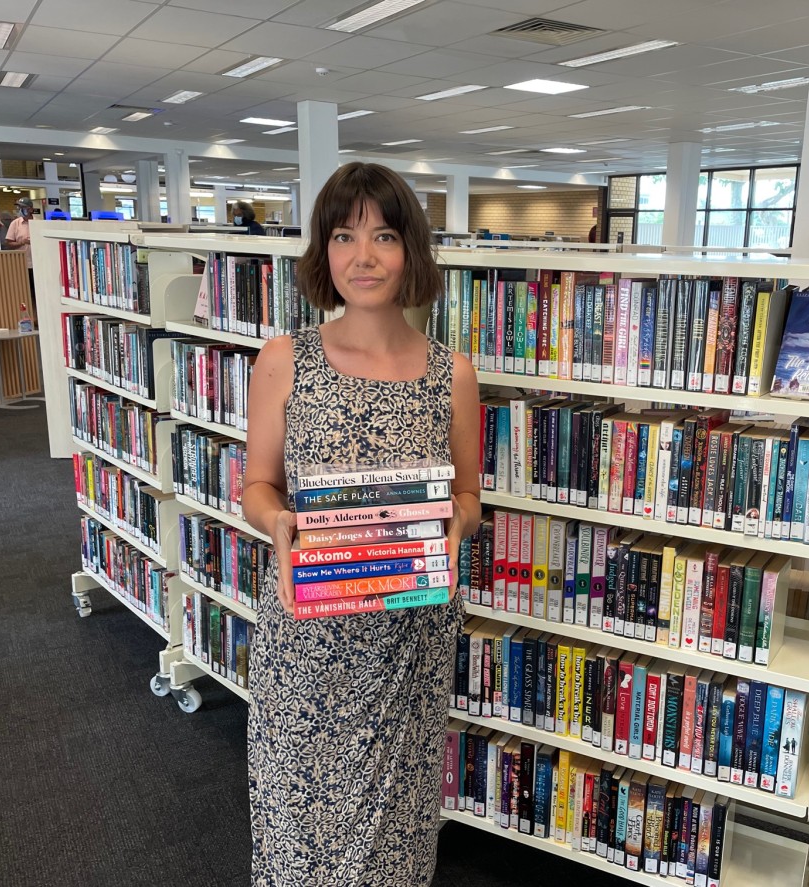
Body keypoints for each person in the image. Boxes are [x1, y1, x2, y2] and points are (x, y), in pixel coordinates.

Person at [241, 161, 481, 887]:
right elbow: (257, 484)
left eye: (382, 235)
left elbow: (468, 496)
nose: (363, 256)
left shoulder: (453, 373)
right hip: (308, 633)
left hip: (408, 636)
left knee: (396, 833)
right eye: (344, 235)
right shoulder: (287, 360)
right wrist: (279, 522)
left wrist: (453, 530)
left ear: (411, 250)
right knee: (299, 829)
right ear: (324, 250)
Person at [5, 197, 35, 313]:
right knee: (26, 292)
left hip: (37, 263)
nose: (20, 210)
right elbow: (8, 243)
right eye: (19, 207)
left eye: (23, 208)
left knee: (37, 291)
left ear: (30, 209)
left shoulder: (38, 222)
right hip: (22, 264)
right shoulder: (15, 224)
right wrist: (22, 242)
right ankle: (29, 316)